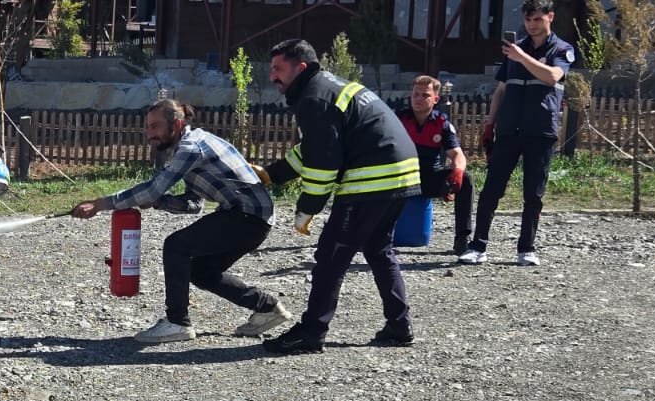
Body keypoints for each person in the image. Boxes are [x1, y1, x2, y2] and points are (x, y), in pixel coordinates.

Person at [70, 99, 290, 345]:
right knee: (202, 272)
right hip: (254, 218)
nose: (149, 134)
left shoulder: (191, 147)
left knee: (176, 245)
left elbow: (153, 189)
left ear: (175, 124)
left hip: (248, 216)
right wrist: (160, 202)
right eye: (148, 127)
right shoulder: (189, 146)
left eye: (155, 126)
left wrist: (100, 204)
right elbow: (193, 204)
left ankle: (177, 323)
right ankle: (267, 308)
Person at [260, 39, 421, 354]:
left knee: (331, 257)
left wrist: (306, 209)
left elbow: (323, 164)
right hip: (402, 176)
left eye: (278, 69)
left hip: (371, 181)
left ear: (300, 68)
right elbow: (318, 147)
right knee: (379, 250)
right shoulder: (325, 88)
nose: (272, 76)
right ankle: (399, 326)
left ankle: (311, 332)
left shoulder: (313, 98)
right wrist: (273, 175)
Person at [458, 0, 574, 267]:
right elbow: (501, 89)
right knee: (491, 190)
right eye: (528, 19)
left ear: (550, 17)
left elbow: (553, 76)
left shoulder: (561, 49)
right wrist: (489, 124)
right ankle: (478, 246)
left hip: (540, 132)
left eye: (538, 19)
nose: (532, 25)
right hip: (509, 130)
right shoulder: (514, 49)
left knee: (533, 194)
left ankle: (526, 249)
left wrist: (522, 58)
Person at [401, 74, 473, 256]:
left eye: (425, 95)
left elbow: (457, 154)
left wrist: (457, 172)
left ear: (435, 99)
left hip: (428, 179)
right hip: (401, 179)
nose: (418, 99)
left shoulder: (442, 124)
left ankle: (462, 239)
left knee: (466, 179)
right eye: (416, 94)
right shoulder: (399, 120)